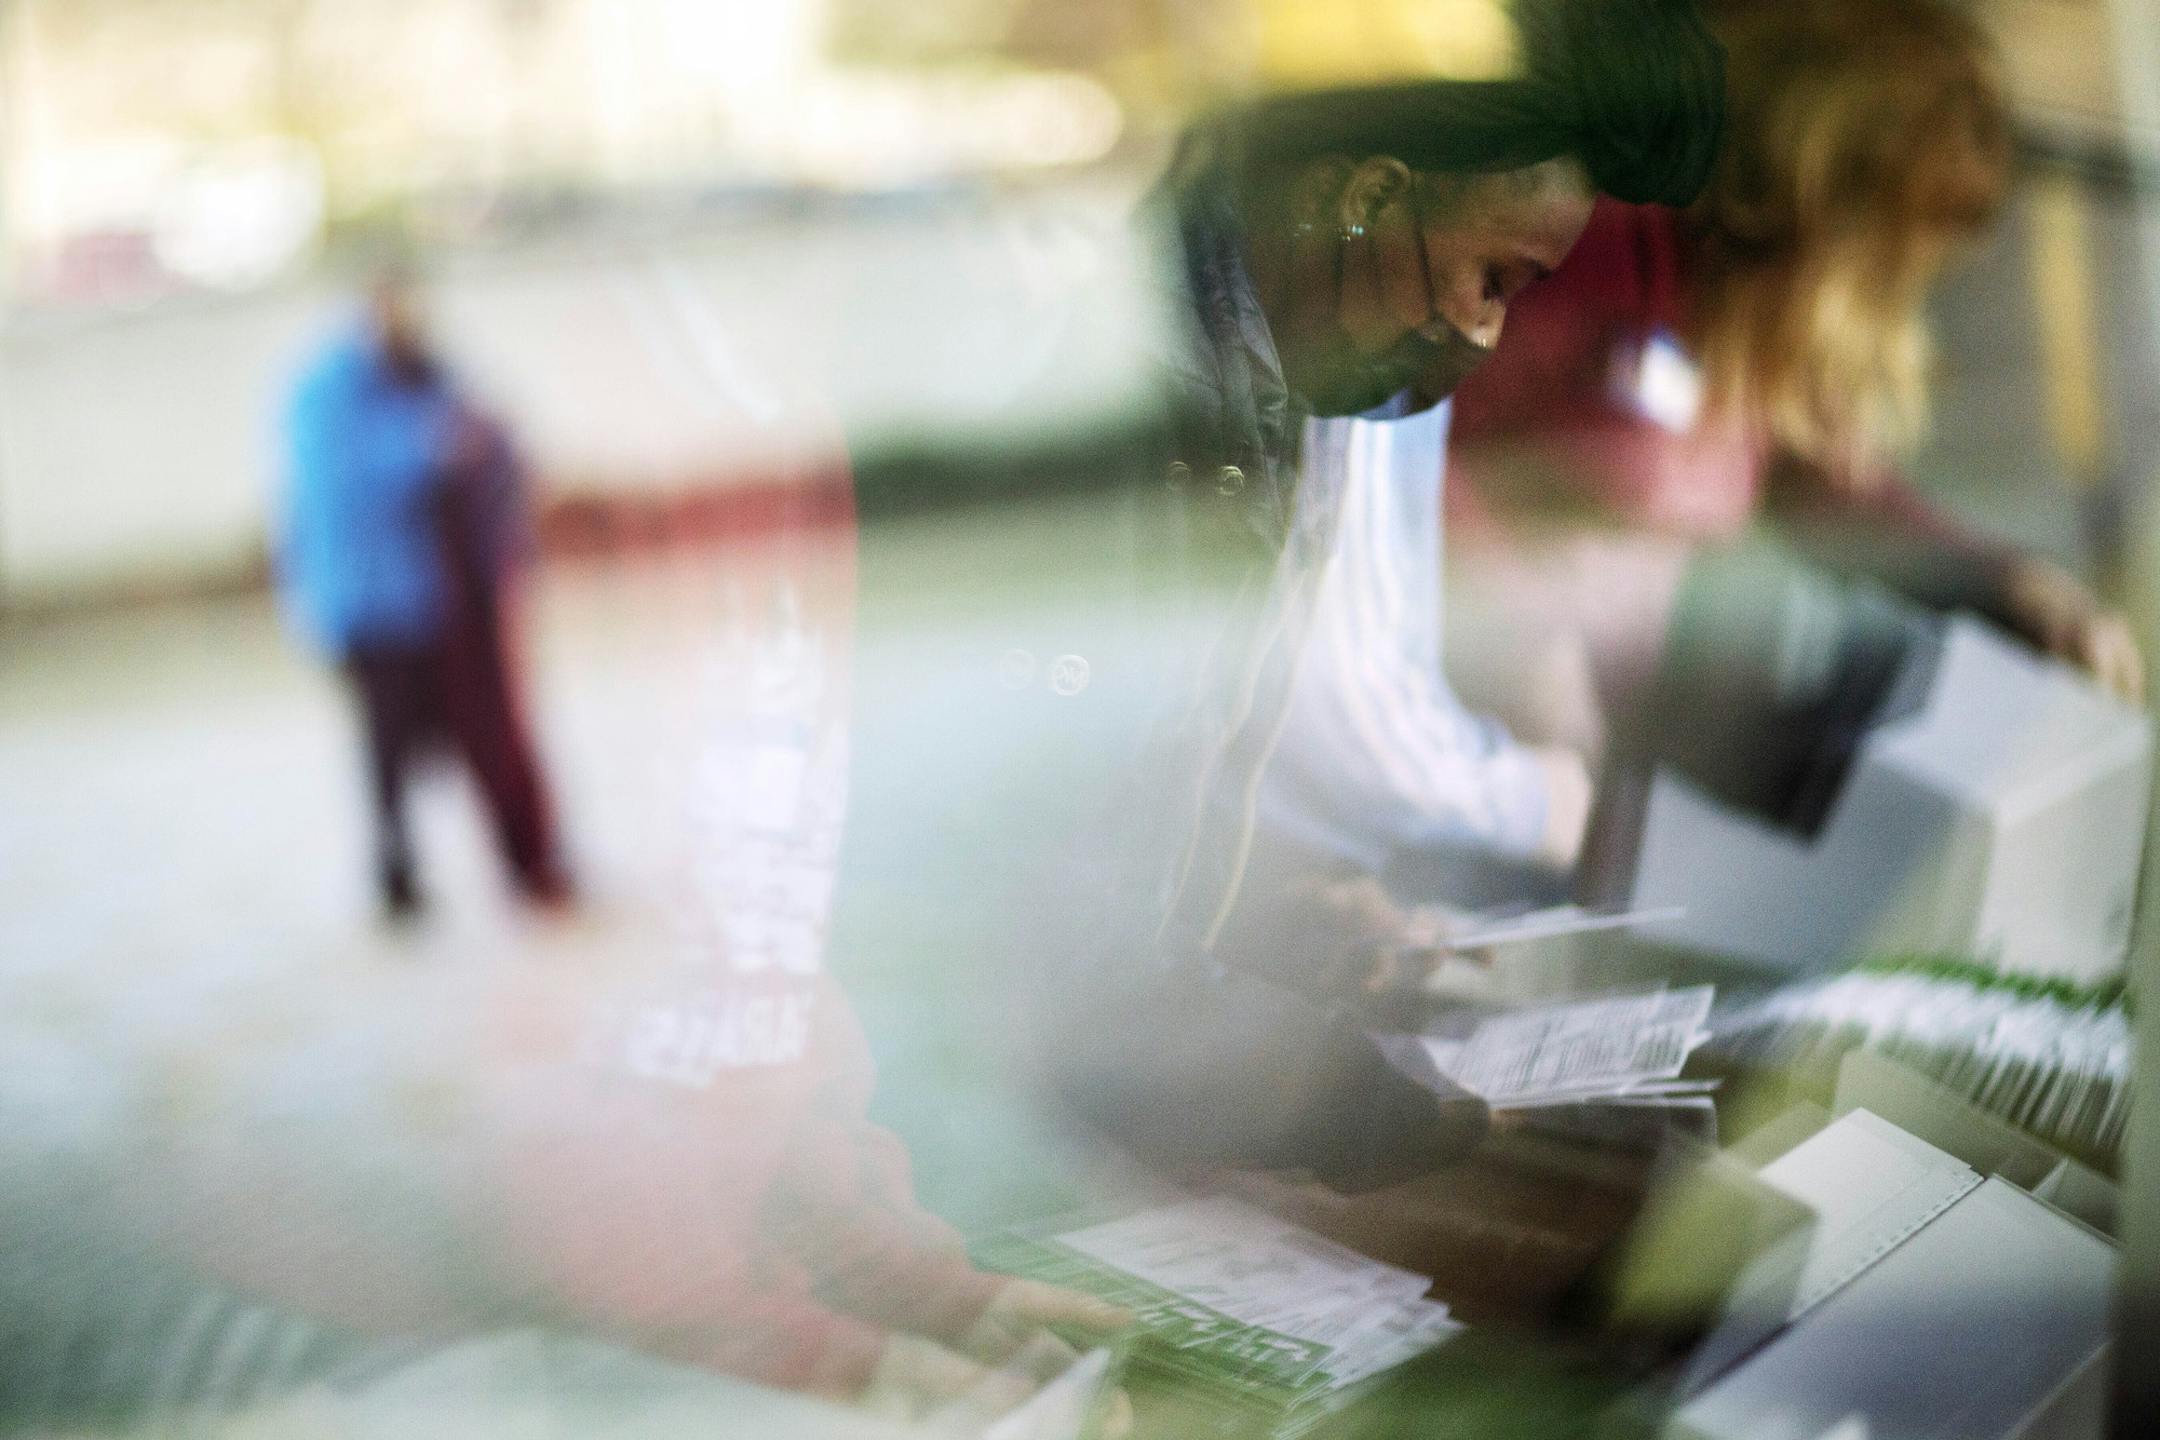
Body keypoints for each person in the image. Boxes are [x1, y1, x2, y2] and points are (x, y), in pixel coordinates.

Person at [884, 0, 1727, 1188]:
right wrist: (1388, 1112)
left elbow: (1147, 798)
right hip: (972, 1131)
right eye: (1494, 277)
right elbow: (1032, 887)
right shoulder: (1140, 396)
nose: (1485, 338)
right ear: (1367, 200)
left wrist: (1279, 903)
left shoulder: (1269, 381)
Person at [1445, 0, 2144, 771]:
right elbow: (1419, 437)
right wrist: (1512, 646)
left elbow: (1824, 482)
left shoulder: (1757, 325)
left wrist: (2001, 581)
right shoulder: (1592, 246)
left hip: (1577, 753)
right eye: (1895, 245)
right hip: (1456, 732)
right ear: (1827, 194)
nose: (1902, 287)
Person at [279, 271, 570, 919]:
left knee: (474, 737)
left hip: (439, 604)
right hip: (369, 609)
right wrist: (433, 449)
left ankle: (518, 870)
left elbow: (490, 450)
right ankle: (397, 879)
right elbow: (336, 490)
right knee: (386, 749)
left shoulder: (425, 373)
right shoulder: (327, 390)